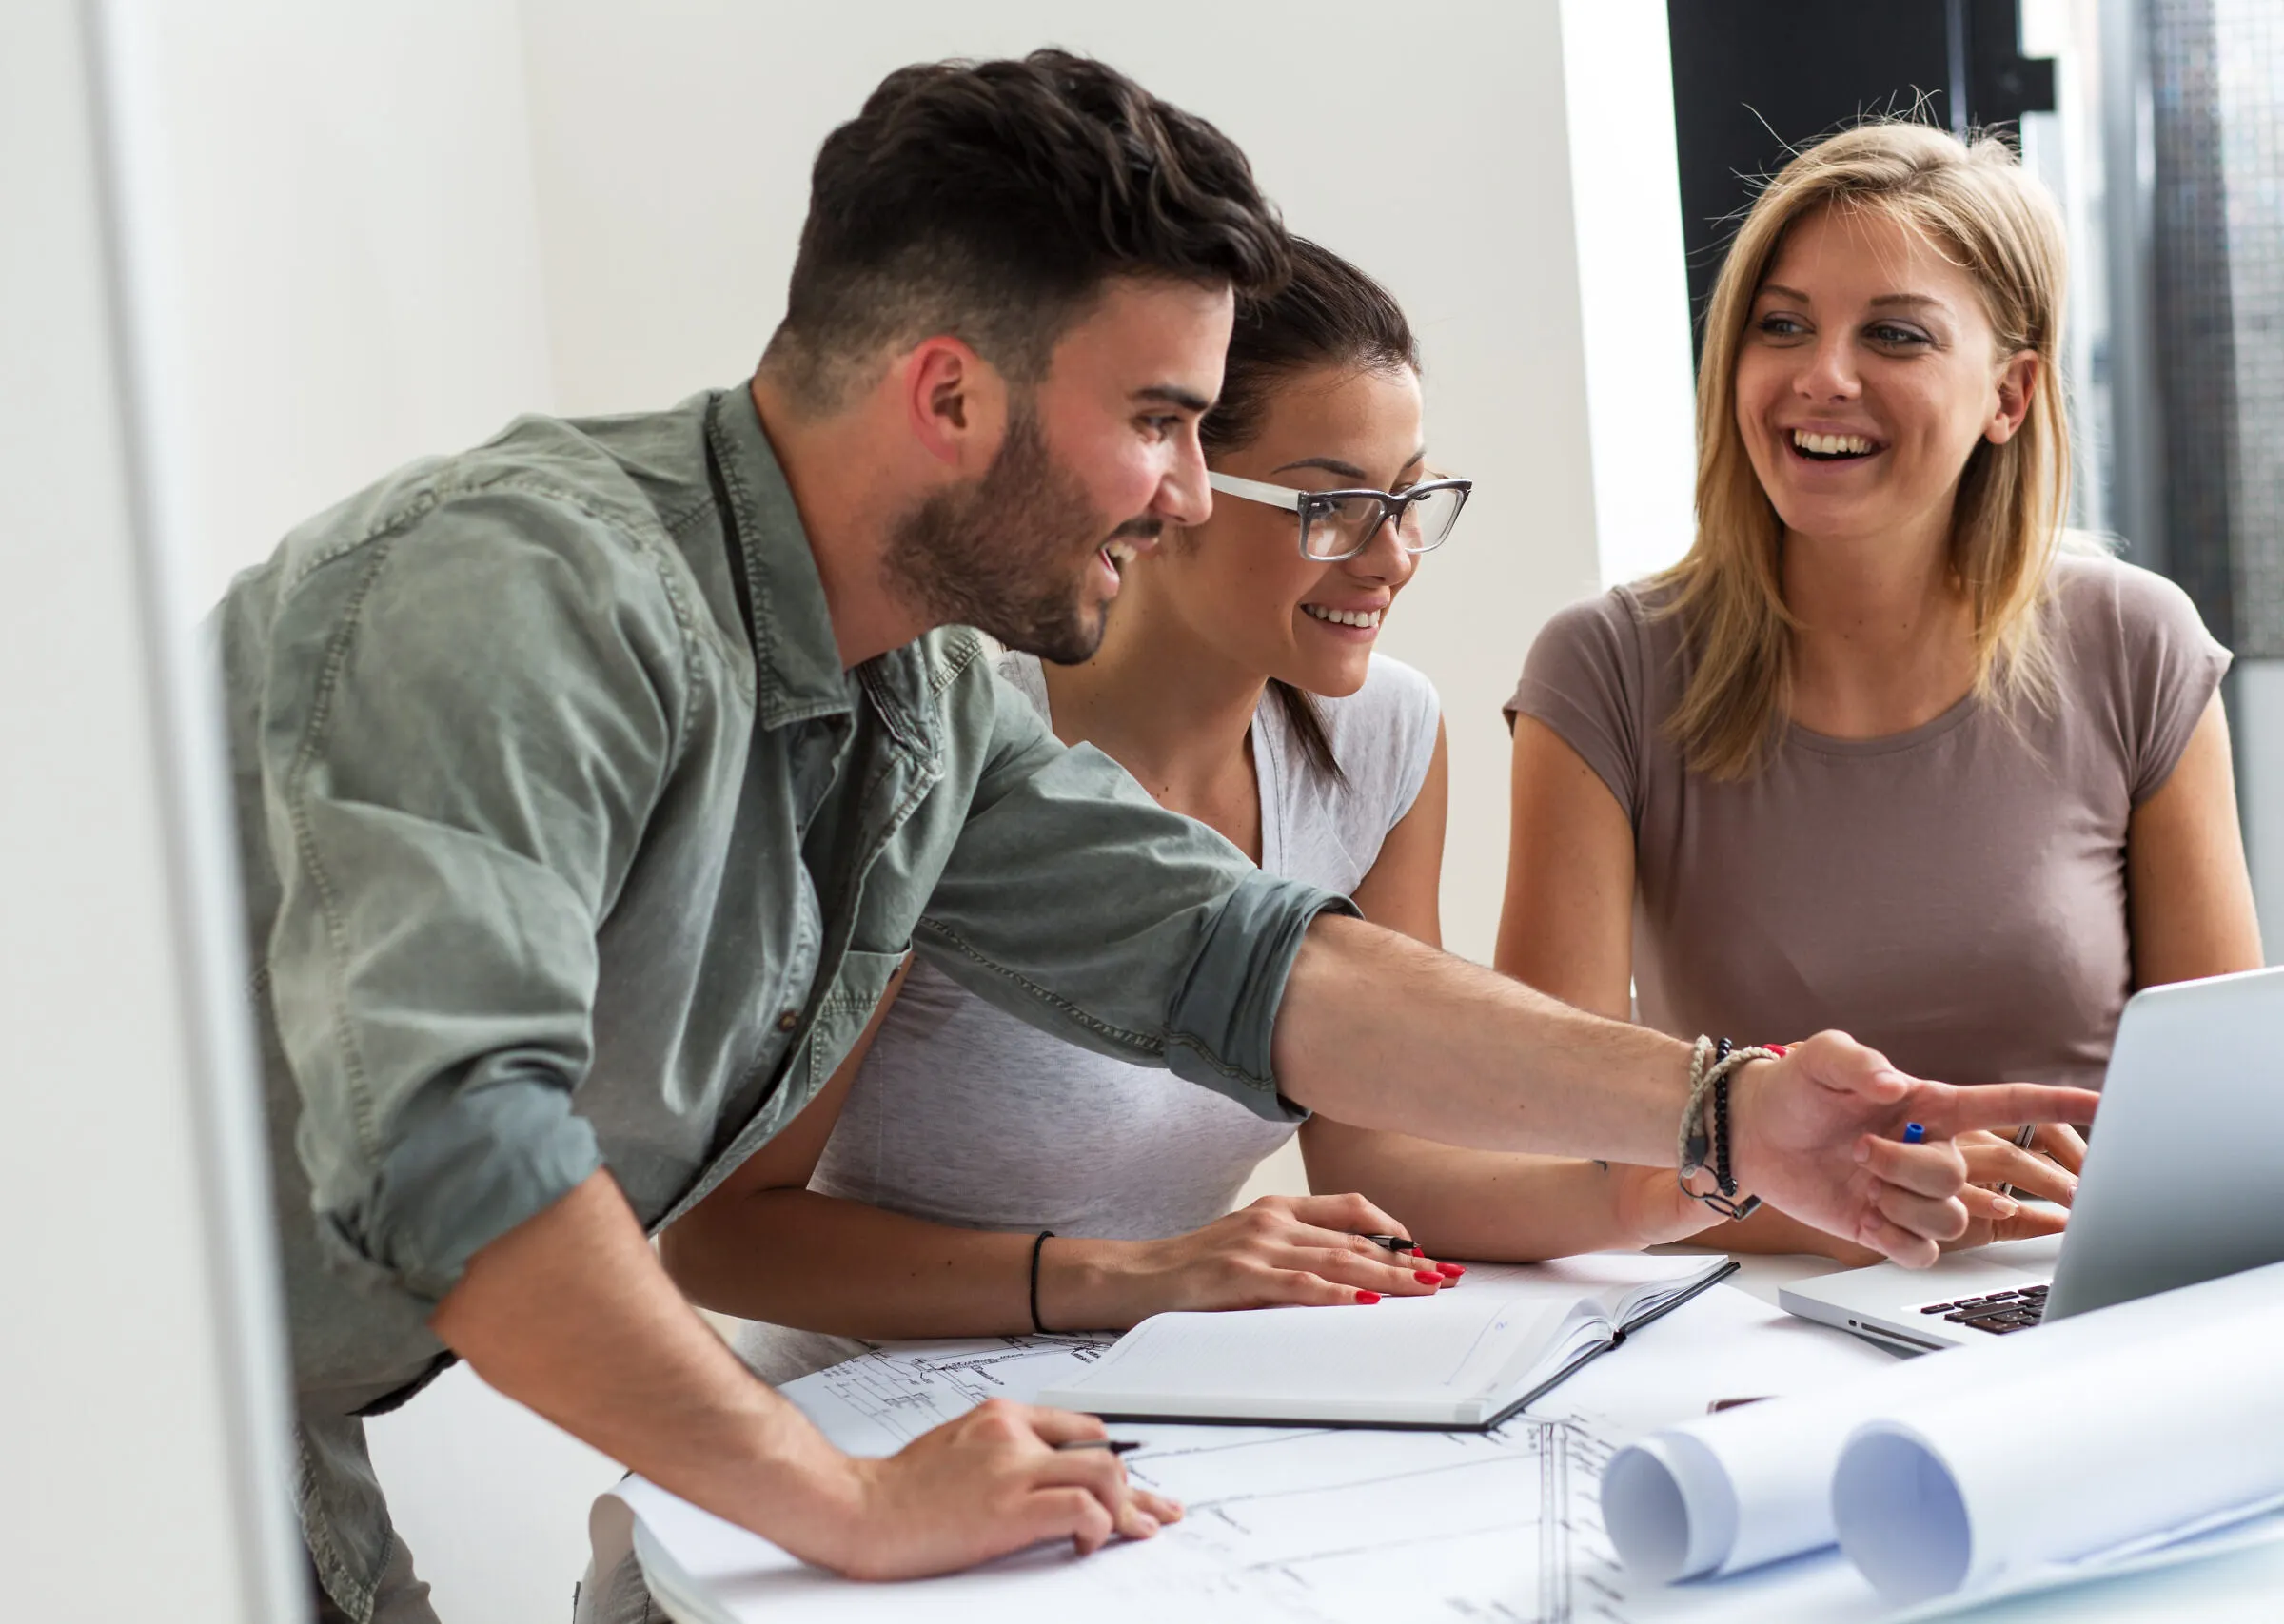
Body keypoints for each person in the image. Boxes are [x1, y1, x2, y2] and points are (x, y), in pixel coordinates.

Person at [219, 59, 2096, 1622]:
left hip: (287, 1423)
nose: (1194, 492)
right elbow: (461, 1145)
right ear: (949, 395)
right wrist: (847, 1499)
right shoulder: (524, 589)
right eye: (1162, 421)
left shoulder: (917, 701)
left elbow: (1246, 960)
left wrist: (1723, 1106)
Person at [658, 240, 1736, 1396]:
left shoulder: (1387, 738)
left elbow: (1382, 1146)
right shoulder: (938, 745)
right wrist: (1134, 1274)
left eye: (1412, 497)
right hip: (845, 1429)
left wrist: (1625, 1193)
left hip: (1141, 1421)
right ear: (1167, 487)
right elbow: (726, 1237)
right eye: (1332, 504)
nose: (1395, 558)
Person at [1496, 120, 2254, 1267]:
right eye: (1782, 324)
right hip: (1746, 1335)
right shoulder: (1603, 669)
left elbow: (2225, 1117)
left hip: (2072, 1303)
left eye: (1893, 335)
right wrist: (1876, 1213)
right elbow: (1549, 1144)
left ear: (2010, 393)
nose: (1822, 377)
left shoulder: (2137, 644)